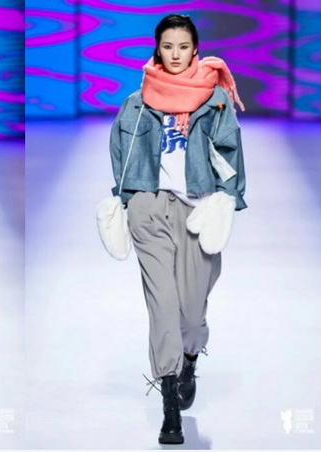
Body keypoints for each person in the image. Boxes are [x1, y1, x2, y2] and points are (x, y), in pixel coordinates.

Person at [109, 14, 247, 445]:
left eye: (183, 47)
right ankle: (169, 401)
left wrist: (226, 201)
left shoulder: (214, 100)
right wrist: (130, 198)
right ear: (157, 48)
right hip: (150, 207)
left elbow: (231, 154)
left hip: (197, 209)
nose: (174, 54)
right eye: (167, 46)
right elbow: (119, 150)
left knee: (190, 310)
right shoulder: (137, 102)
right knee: (163, 305)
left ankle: (189, 357)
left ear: (195, 50)